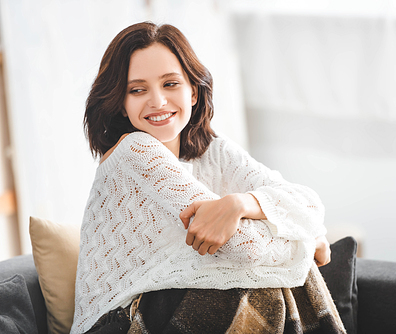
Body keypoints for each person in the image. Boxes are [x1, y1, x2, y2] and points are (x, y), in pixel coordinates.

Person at [71, 22, 344, 334]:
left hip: (171, 305)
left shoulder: (211, 150)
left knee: (256, 284)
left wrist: (241, 203)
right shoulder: (135, 152)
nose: (158, 101)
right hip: (119, 322)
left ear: (193, 92)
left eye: (170, 84)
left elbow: (309, 206)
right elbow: (244, 248)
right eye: (137, 90)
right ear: (121, 102)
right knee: (257, 285)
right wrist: (309, 241)